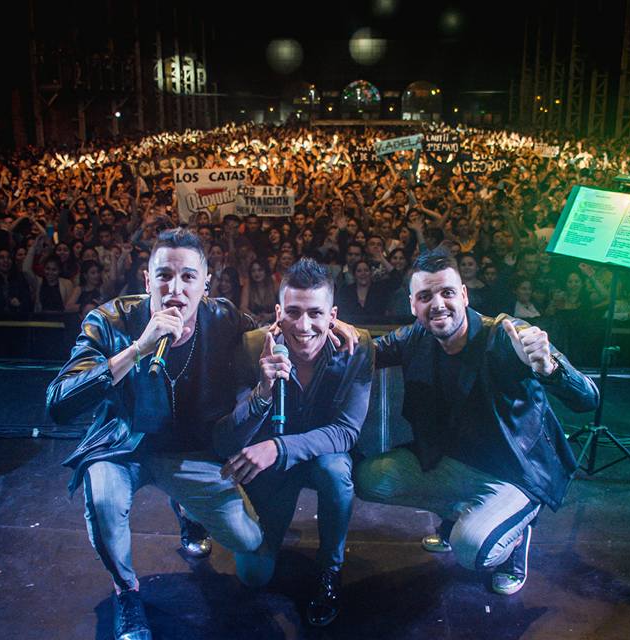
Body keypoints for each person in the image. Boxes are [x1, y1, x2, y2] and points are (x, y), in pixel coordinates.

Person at [46, 229, 266, 640]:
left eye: (188, 277)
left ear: (206, 283)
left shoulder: (224, 318)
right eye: (164, 275)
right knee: (104, 498)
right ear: (147, 281)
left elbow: (277, 335)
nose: (175, 289)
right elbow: (58, 403)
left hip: (190, 452)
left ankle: (185, 508)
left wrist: (330, 326)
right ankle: (126, 592)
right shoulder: (109, 321)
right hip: (122, 446)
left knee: (249, 539)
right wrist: (135, 351)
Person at [355, 248, 599, 596]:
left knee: (471, 550)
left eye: (447, 292)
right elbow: (365, 351)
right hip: (456, 461)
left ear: (464, 296)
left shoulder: (506, 335)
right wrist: (321, 328)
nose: (437, 303)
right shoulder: (416, 337)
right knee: (368, 479)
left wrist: (550, 368)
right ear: (413, 305)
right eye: (425, 296)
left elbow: (588, 398)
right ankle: (462, 513)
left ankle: (515, 537)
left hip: (515, 472)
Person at [213, 258, 372, 626]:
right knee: (255, 576)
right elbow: (226, 440)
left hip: (315, 457)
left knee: (335, 471)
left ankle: (330, 569)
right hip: (273, 471)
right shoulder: (254, 347)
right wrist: (261, 394)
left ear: (333, 315)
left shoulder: (357, 348)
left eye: (315, 313)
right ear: (278, 312)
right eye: (294, 313)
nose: (304, 326)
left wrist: (279, 447)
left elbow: (347, 432)